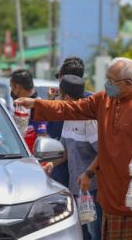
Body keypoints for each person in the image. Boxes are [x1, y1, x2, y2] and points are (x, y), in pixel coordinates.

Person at [15, 57, 132, 240]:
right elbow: (73, 108)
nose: (107, 84)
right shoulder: (104, 99)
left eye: (112, 81)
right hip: (108, 193)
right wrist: (37, 104)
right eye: (106, 79)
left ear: (128, 83)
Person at [46, 74, 102, 240]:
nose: (57, 100)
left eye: (59, 96)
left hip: (92, 191)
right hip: (76, 190)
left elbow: (104, 152)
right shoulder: (69, 118)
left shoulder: (89, 121)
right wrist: (50, 163)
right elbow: (64, 152)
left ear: (67, 98)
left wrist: (88, 174)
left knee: (94, 235)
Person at [46, 57, 87, 186]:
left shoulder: (65, 105)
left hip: (72, 176)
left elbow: (53, 133)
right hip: (77, 173)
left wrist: (52, 106)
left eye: (59, 77)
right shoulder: (92, 100)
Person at [10, 69, 47, 153]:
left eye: (12, 87)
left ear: (18, 88)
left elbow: (42, 140)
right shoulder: (19, 104)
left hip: (29, 160)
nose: (11, 91)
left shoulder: (38, 108)